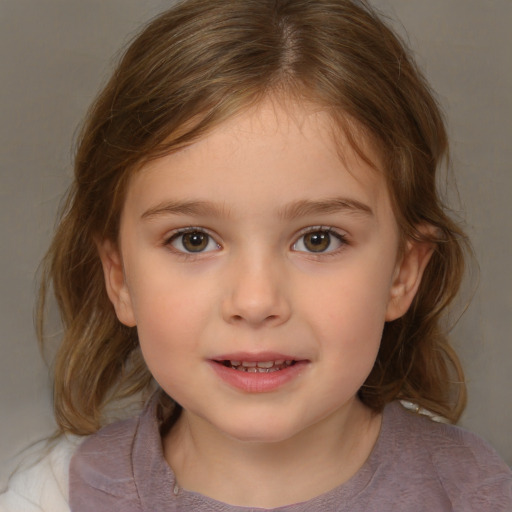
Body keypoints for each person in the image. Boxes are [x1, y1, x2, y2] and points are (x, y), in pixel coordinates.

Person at [1, 0, 511, 510]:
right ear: (120, 278)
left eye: (318, 239)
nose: (255, 300)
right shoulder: (51, 498)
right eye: (193, 239)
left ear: (402, 272)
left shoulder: (475, 495)